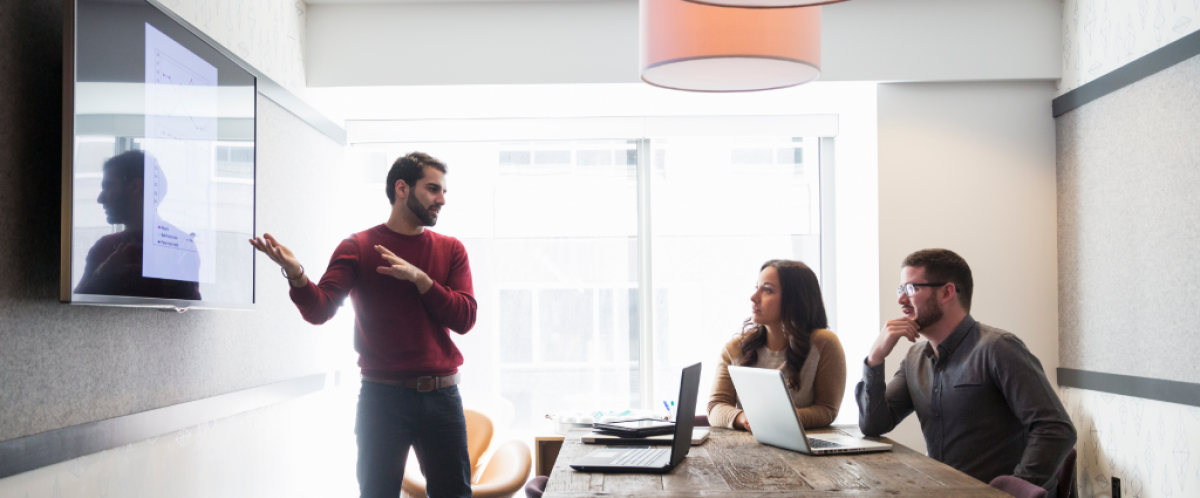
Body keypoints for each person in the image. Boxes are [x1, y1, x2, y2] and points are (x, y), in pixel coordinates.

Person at [249, 152, 477, 498]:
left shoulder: (451, 249)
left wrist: (422, 280)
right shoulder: (358, 247)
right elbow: (320, 310)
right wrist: (296, 274)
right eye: (433, 189)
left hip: (442, 396)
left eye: (443, 191)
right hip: (382, 398)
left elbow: (465, 318)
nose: (441, 200)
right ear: (402, 188)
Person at [856, 249, 1075, 496]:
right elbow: (874, 425)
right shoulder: (914, 359)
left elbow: (1056, 429)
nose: (901, 300)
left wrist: (1010, 491)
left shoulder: (998, 348)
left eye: (911, 289)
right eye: (900, 290)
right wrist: (875, 359)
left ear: (947, 292)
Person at [708, 259, 846, 432]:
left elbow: (827, 409)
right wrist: (745, 418)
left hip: (805, 451)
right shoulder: (735, 348)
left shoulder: (825, 344)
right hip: (749, 447)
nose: (753, 297)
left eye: (767, 290)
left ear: (795, 299)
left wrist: (777, 420)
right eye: (756, 287)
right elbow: (716, 406)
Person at [76, 150, 201, 300]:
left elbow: (191, 316)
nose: (100, 198)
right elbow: (73, 312)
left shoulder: (181, 246)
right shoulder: (102, 247)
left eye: (108, 187)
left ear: (135, 187)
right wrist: (101, 276)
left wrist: (175, 279)